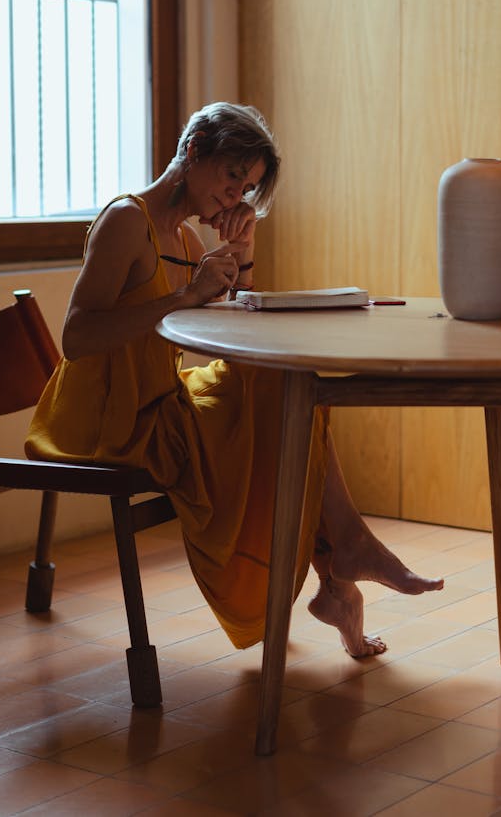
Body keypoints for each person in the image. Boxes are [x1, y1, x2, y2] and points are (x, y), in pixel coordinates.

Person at [26, 102, 443, 657]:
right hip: (106, 420)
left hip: (157, 402)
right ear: (194, 150)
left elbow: (227, 333)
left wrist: (242, 260)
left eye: (245, 187)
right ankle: (343, 562)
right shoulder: (128, 221)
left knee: (285, 379)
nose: (233, 196)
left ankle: (342, 565)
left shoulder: (190, 244)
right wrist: (185, 295)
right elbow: (76, 338)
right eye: (231, 176)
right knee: (276, 392)